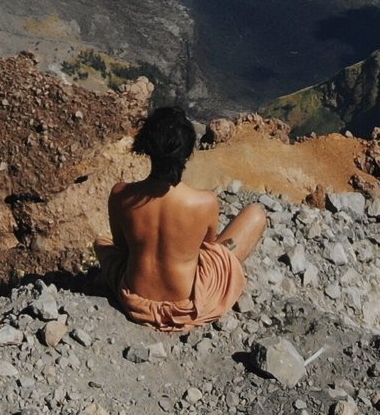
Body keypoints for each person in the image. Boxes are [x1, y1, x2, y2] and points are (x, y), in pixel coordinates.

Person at [107, 104, 268, 332]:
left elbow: (120, 246)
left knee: (101, 245)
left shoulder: (120, 195)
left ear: (147, 147)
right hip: (184, 304)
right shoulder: (205, 202)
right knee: (256, 214)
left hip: (135, 297)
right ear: (186, 152)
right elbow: (207, 247)